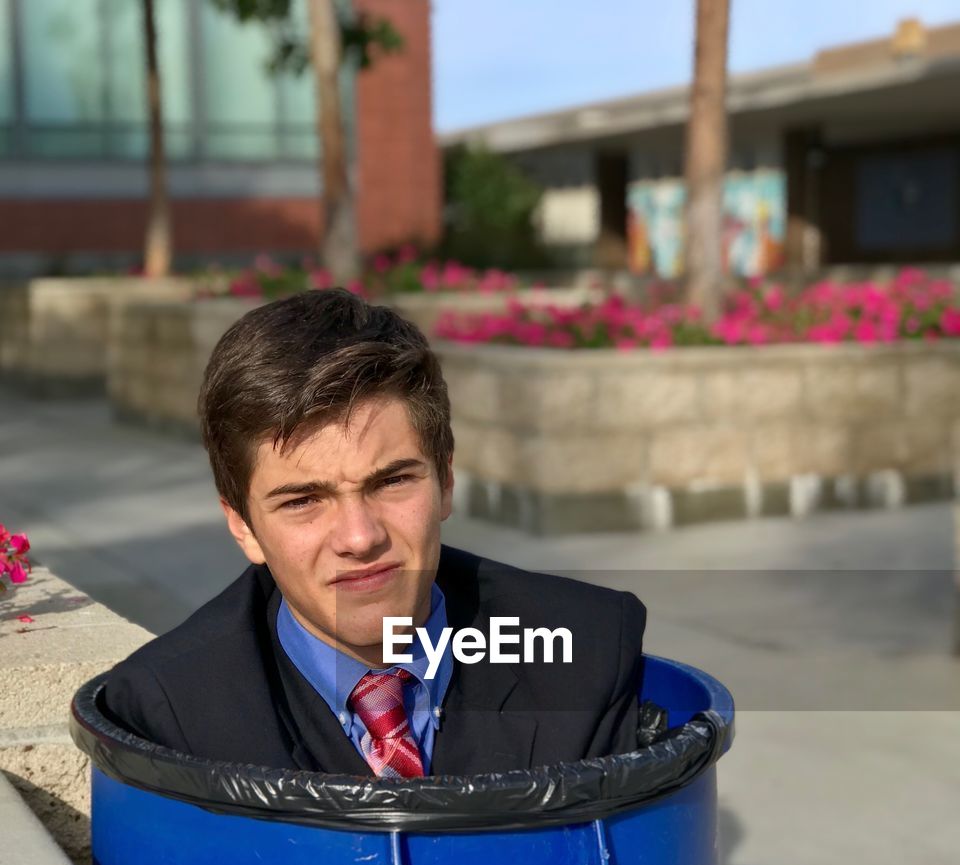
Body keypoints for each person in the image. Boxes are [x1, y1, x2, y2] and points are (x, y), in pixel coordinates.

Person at [103, 288, 648, 777]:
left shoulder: (585, 653)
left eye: (391, 482)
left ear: (446, 482)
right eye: (303, 500)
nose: (360, 538)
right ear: (242, 526)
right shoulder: (170, 714)